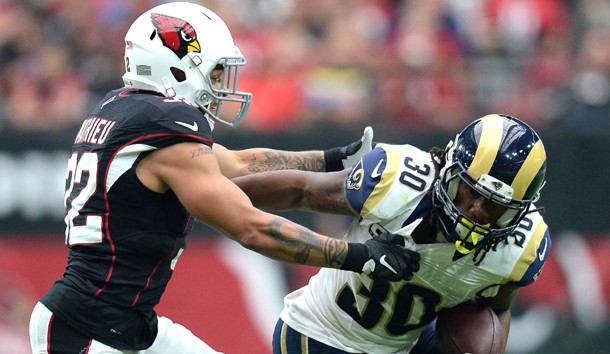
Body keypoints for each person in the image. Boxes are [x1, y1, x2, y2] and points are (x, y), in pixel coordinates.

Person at [28, 3, 421, 354]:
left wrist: (328, 159)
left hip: (125, 322)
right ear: (176, 66)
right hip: (88, 329)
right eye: (216, 70)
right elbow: (251, 228)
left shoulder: (127, 109)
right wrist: (358, 255)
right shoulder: (165, 125)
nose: (222, 84)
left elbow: (234, 163)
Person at [234, 113, 551, 353]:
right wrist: (219, 198)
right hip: (323, 334)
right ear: (449, 169)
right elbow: (302, 191)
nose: (477, 210)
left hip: (404, 345)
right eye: (469, 192)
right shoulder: (397, 181)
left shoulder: (521, 247)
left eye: (496, 206)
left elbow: (498, 310)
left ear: (520, 211)